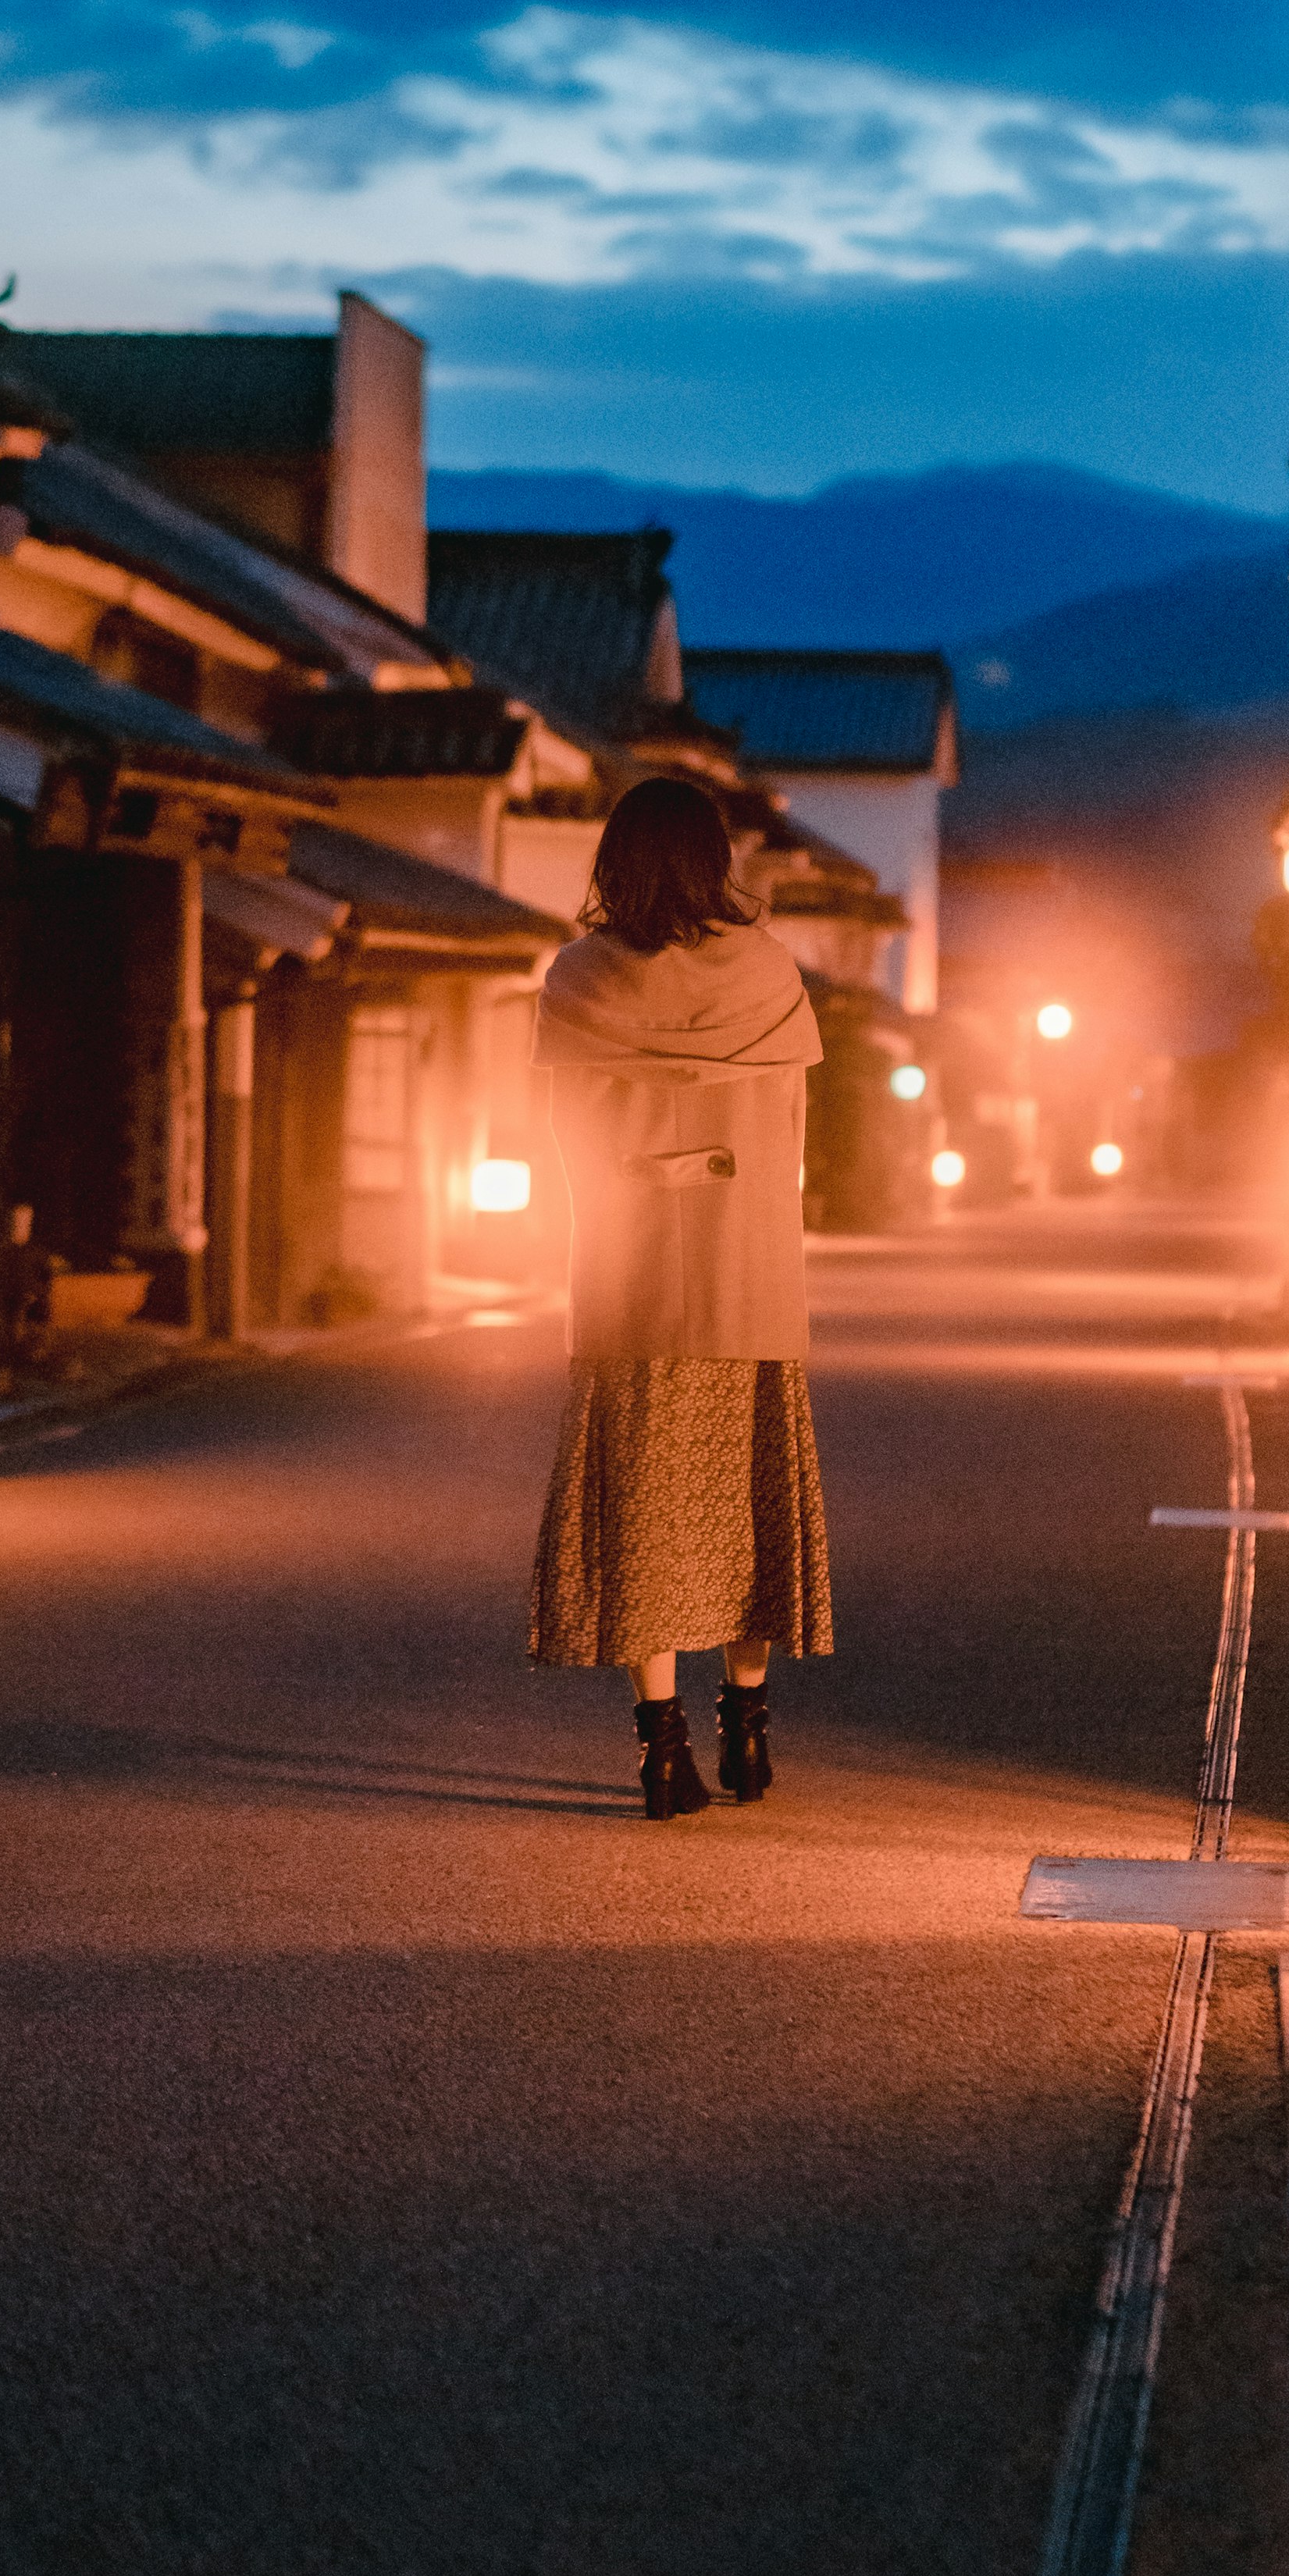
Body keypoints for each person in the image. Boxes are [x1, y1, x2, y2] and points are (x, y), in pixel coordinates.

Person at [529, 776, 835, 1817]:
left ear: (616, 862)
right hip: (746, 1281)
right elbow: (789, 1142)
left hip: (631, 1287)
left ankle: (662, 1751)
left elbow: (570, 1146)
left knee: (643, 1521)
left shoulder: (578, 981)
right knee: (754, 1510)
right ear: (716, 863)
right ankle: (747, 1730)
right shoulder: (770, 976)